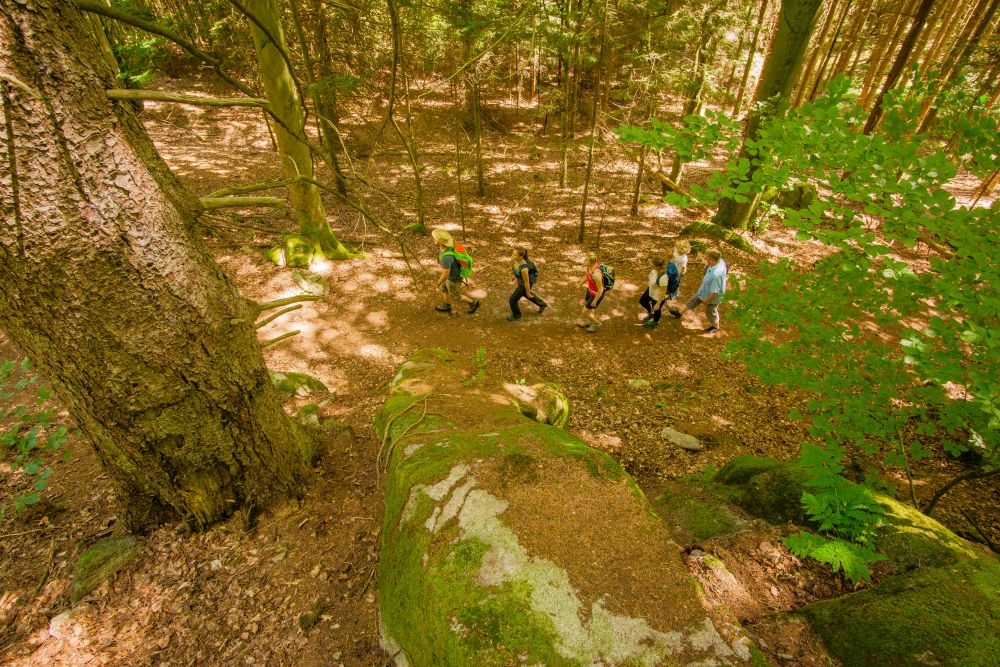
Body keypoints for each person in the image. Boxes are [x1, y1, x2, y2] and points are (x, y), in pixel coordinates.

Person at [668, 247, 727, 333]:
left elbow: (715, 292)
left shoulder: (716, 274)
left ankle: (716, 326)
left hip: (711, 298)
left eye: (707, 258)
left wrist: (707, 300)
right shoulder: (720, 260)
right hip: (704, 290)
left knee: (710, 311)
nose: (705, 260)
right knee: (693, 300)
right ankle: (679, 313)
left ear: (712, 259)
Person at [432, 228, 480, 314]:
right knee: (443, 289)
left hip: (453, 279)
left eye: (435, 238)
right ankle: (446, 305)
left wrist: (438, 283)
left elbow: (445, 274)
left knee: (456, 297)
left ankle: (473, 303)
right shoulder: (448, 247)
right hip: (449, 277)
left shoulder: (446, 257)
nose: (433, 239)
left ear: (439, 241)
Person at [507, 247, 548, 321]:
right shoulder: (516, 260)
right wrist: (514, 276)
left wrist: (528, 292)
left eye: (515, 255)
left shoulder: (524, 269)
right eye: (513, 253)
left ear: (521, 257)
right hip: (522, 283)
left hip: (524, 285)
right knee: (527, 294)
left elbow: (526, 282)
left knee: (512, 300)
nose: (512, 256)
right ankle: (542, 304)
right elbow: (516, 269)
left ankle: (517, 315)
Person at [639, 255, 677, 328]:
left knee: (656, 309)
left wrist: (658, 303)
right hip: (652, 290)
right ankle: (651, 313)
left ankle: (655, 322)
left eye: (653, 265)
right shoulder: (654, 271)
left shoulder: (663, 277)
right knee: (643, 301)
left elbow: (663, 291)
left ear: (658, 266)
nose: (651, 266)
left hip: (658, 295)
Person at [579, 252, 605, 333]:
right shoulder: (589, 268)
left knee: (585, 312)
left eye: (586, 260)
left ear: (591, 262)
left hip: (596, 295)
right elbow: (587, 276)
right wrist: (580, 284)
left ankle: (596, 323)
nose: (584, 261)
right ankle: (591, 321)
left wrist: (595, 301)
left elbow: (600, 289)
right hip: (590, 291)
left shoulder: (596, 274)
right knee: (589, 310)